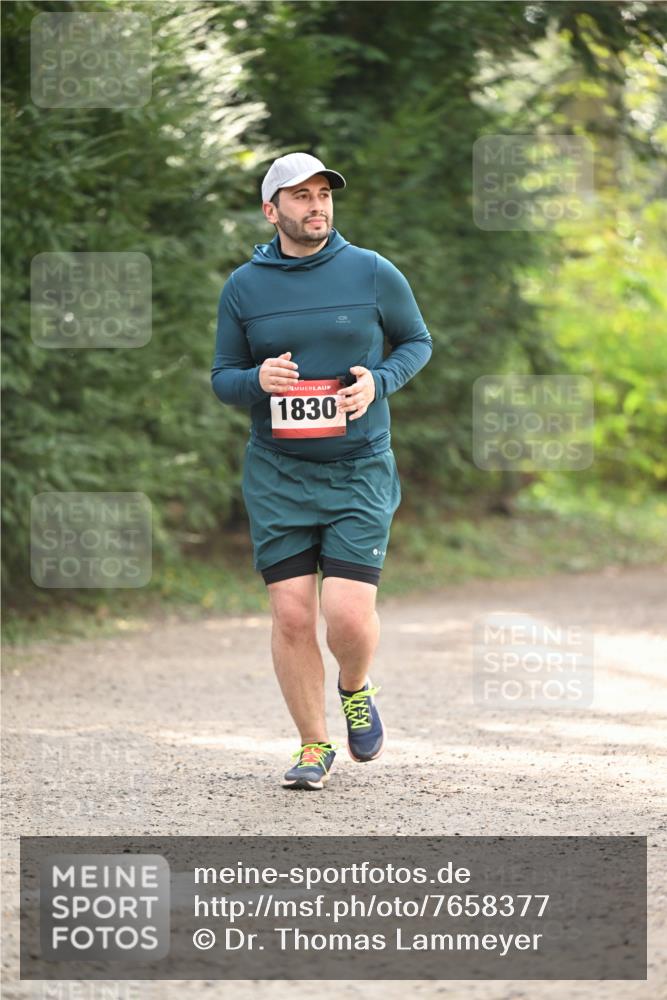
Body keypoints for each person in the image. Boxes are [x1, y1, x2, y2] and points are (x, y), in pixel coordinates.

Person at [211, 152, 432, 790]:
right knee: (290, 615)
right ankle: (313, 745)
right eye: (300, 196)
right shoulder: (244, 288)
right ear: (270, 209)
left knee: (350, 617)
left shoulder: (371, 272)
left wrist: (378, 383)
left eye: (323, 195)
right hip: (278, 472)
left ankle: (355, 687)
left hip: (359, 467)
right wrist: (258, 380)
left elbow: (416, 341)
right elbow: (223, 378)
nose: (316, 206)